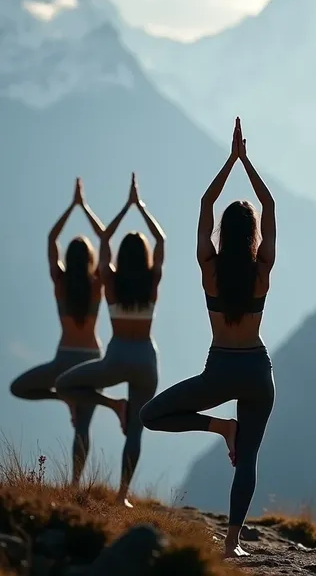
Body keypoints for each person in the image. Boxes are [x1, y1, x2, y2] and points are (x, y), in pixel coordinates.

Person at [140, 117, 276, 558]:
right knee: (249, 458)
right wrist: (247, 162)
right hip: (256, 370)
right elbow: (269, 206)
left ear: (224, 233)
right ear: (252, 234)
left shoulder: (209, 267)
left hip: (219, 370)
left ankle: (220, 426)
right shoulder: (261, 272)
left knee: (151, 415)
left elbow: (205, 201)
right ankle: (233, 543)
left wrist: (229, 161)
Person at [57, 173, 165, 507]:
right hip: (146, 359)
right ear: (144, 257)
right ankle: (122, 495)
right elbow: (161, 242)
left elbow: (104, 239)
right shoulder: (150, 282)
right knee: (136, 430)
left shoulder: (111, 281)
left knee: (64, 384)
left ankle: (110, 406)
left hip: (117, 357)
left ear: (121, 256)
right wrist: (141, 207)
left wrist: (124, 209)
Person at [11, 178, 105, 485]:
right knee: (83, 428)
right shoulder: (97, 285)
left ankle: (63, 396)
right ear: (89, 260)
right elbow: (105, 239)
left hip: (63, 360)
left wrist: (71, 207)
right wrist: (86, 208)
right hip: (92, 360)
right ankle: (76, 482)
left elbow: (52, 239)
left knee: (20, 387)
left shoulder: (61, 283)